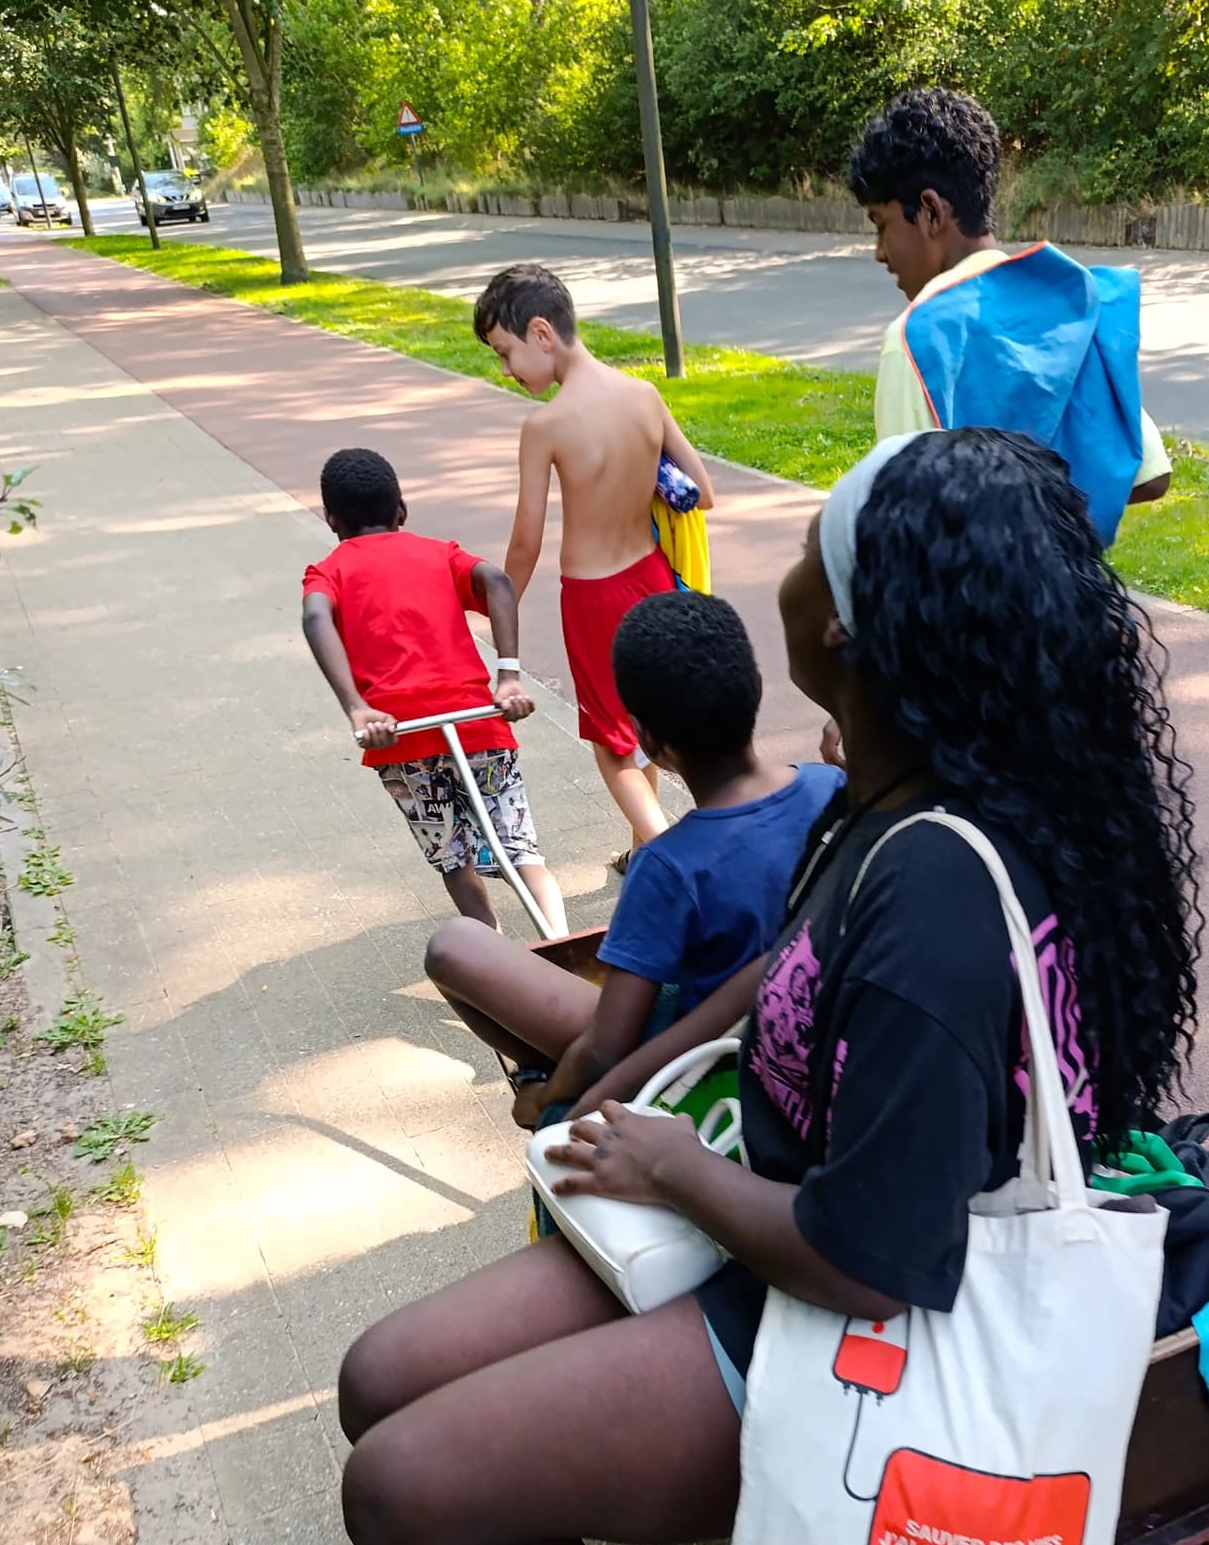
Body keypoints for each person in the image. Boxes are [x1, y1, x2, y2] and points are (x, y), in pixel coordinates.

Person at [334, 426, 1200, 1545]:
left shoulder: (941, 892)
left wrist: (671, 1163)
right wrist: (635, 1082)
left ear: (851, 633)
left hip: (845, 1307)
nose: (775, 568)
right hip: (773, 1201)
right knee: (374, 1376)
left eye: (806, 553)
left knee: (398, 1489)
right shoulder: (897, 783)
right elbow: (789, 961)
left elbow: (880, 1259)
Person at [424, 589, 842, 1127]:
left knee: (452, 947)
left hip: (696, 1050)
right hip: (786, 1017)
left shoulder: (669, 865)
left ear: (646, 739)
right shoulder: (831, 785)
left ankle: (536, 1079)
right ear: (756, 690)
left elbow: (607, 1048)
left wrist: (555, 1100)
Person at [474, 261, 716, 863]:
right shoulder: (643, 395)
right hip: (654, 581)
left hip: (594, 599)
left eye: (505, 353)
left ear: (540, 334)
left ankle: (669, 863)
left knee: (612, 747)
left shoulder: (546, 425)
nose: (505, 371)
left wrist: (496, 606)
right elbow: (703, 491)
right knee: (654, 726)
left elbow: (526, 540)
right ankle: (646, 847)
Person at [848, 88, 1173, 516]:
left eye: (880, 224)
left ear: (929, 211)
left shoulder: (917, 338)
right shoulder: (1066, 300)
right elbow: (1149, 474)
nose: (879, 252)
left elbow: (907, 524)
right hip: (1072, 582)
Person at [301, 447, 566, 935]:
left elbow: (316, 616)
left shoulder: (328, 572)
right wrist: (507, 674)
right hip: (476, 723)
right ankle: (564, 943)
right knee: (520, 850)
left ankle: (491, 950)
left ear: (330, 518)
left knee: (453, 859)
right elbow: (499, 582)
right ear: (401, 510)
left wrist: (358, 708)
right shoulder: (439, 553)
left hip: (400, 737)